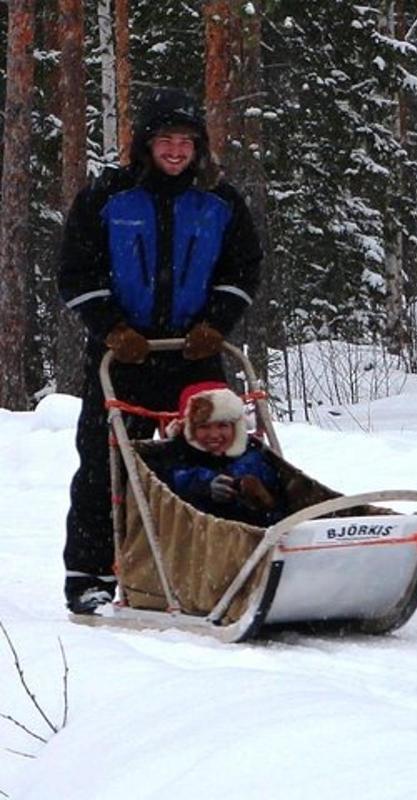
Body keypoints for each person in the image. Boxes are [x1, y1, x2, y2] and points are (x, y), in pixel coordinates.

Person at [58, 87, 262, 614]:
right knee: (106, 466)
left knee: (218, 455)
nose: (175, 151)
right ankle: (90, 577)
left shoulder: (220, 200)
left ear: (199, 147)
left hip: (194, 354)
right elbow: (75, 272)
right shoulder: (108, 197)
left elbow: (243, 270)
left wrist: (216, 324)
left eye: (186, 142)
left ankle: (226, 561)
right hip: (122, 356)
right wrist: (111, 328)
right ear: (145, 145)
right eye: (165, 141)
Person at [155, 381, 283, 526]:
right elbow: (173, 482)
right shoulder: (177, 455)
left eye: (222, 425)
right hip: (198, 534)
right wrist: (205, 487)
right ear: (190, 429)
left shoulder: (253, 456)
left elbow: (278, 502)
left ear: (235, 427)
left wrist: (254, 492)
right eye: (204, 426)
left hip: (254, 533)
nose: (214, 434)